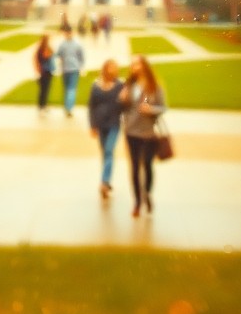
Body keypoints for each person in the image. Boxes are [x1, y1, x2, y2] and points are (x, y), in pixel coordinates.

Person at [118, 54, 167, 217]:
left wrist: (151, 110)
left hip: (149, 133)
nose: (134, 67)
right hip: (131, 131)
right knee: (134, 167)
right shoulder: (129, 85)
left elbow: (162, 108)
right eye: (132, 64)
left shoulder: (154, 86)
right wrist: (122, 99)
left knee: (147, 165)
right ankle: (137, 202)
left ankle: (147, 193)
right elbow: (124, 108)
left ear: (144, 66)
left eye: (137, 64)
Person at [87, 58, 124, 199]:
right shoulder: (96, 86)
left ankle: (103, 182)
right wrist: (92, 125)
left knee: (109, 150)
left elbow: (132, 100)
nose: (112, 70)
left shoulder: (120, 85)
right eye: (110, 67)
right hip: (100, 124)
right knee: (105, 153)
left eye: (115, 67)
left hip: (114, 123)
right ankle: (107, 180)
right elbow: (91, 107)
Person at [55, 25, 85, 118]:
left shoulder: (63, 44)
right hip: (73, 68)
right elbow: (82, 57)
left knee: (68, 89)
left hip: (66, 69)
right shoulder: (77, 45)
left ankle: (67, 107)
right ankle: (69, 107)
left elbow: (58, 55)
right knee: (71, 89)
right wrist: (80, 66)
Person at [34, 33, 56, 116]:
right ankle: (41, 106)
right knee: (43, 90)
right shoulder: (43, 48)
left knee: (46, 90)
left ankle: (44, 105)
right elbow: (46, 55)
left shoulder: (45, 47)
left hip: (48, 71)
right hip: (45, 72)